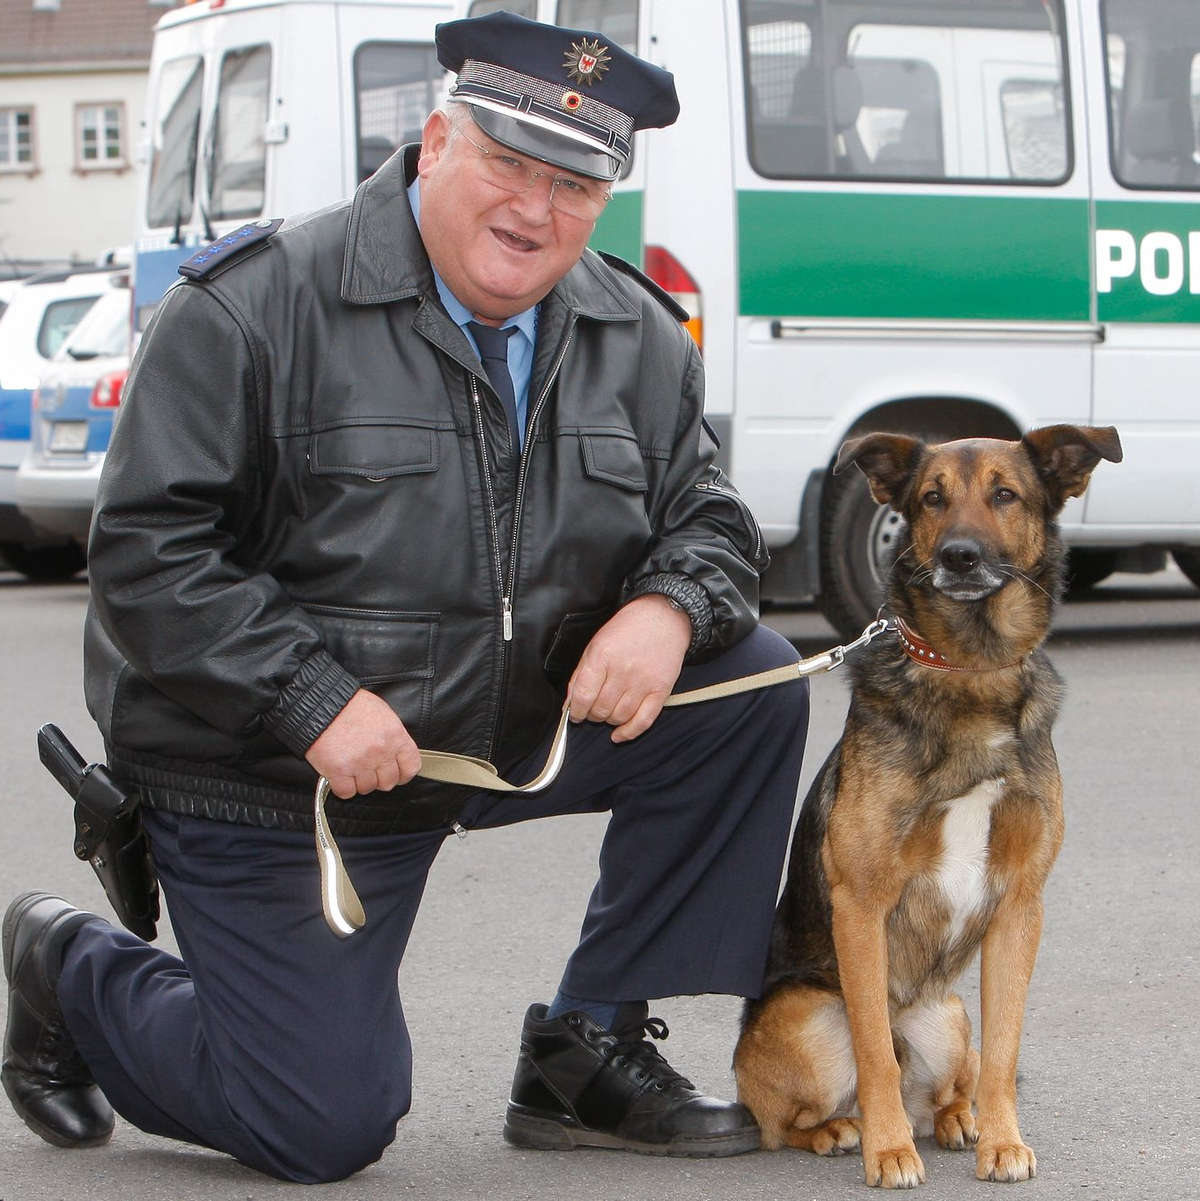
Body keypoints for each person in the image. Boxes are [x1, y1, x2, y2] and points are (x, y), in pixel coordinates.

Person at [1, 11, 810, 1183]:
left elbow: (711, 515)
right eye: (509, 163)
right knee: (319, 1124)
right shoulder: (252, 306)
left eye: (576, 184)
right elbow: (148, 553)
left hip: (501, 734)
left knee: (750, 687)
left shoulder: (634, 332)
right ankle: (71, 969)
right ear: (436, 144)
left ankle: (587, 1045)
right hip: (278, 774)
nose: (536, 209)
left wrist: (670, 606)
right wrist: (309, 698)